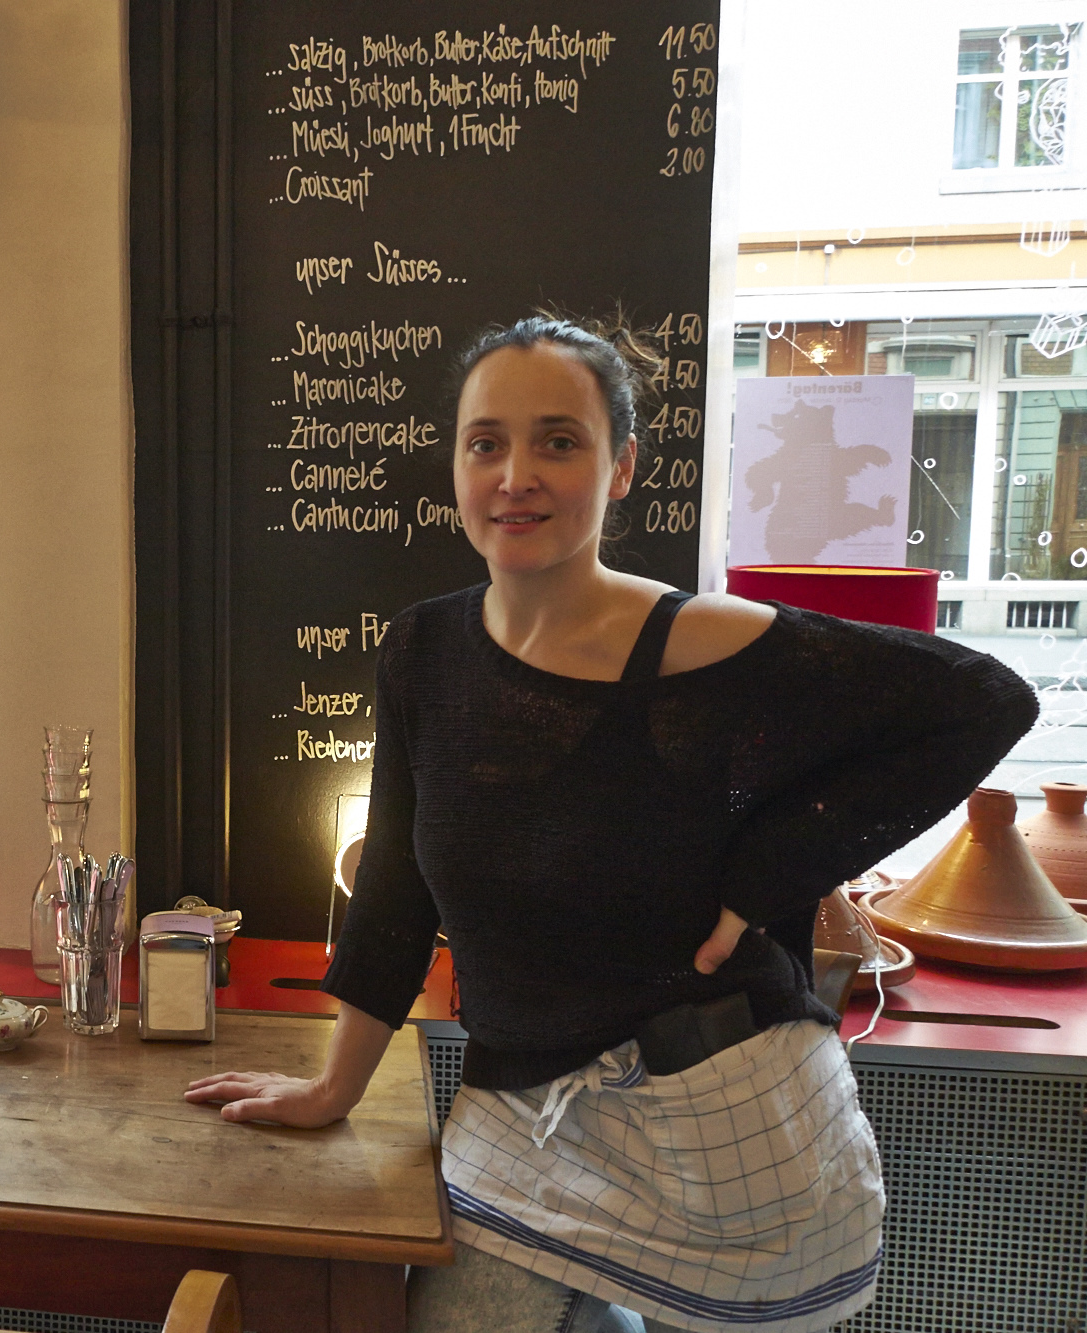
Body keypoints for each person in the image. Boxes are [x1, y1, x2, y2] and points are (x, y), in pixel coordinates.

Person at [186, 315, 1037, 1333]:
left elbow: (981, 699)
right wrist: (332, 1087)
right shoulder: (422, 650)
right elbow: (394, 897)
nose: (515, 475)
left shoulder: (703, 644)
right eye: (484, 441)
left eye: (558, 440)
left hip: (727, 1132)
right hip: (521, 1122)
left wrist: (768, 870)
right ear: (454, 463)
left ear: (621, 464)